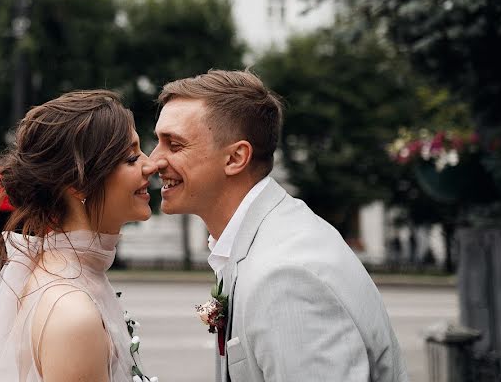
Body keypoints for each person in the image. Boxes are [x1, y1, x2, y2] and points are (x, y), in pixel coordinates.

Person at [142, 70, 408, 382]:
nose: (152, 161)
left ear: (236, 158)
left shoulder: (283, 276)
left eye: (173, 144)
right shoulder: (274, 235)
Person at [0, 90, 154, 381]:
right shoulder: (72, 312)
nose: (151, 165)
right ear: (79, 184)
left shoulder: (69, 273)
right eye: (132, 158)